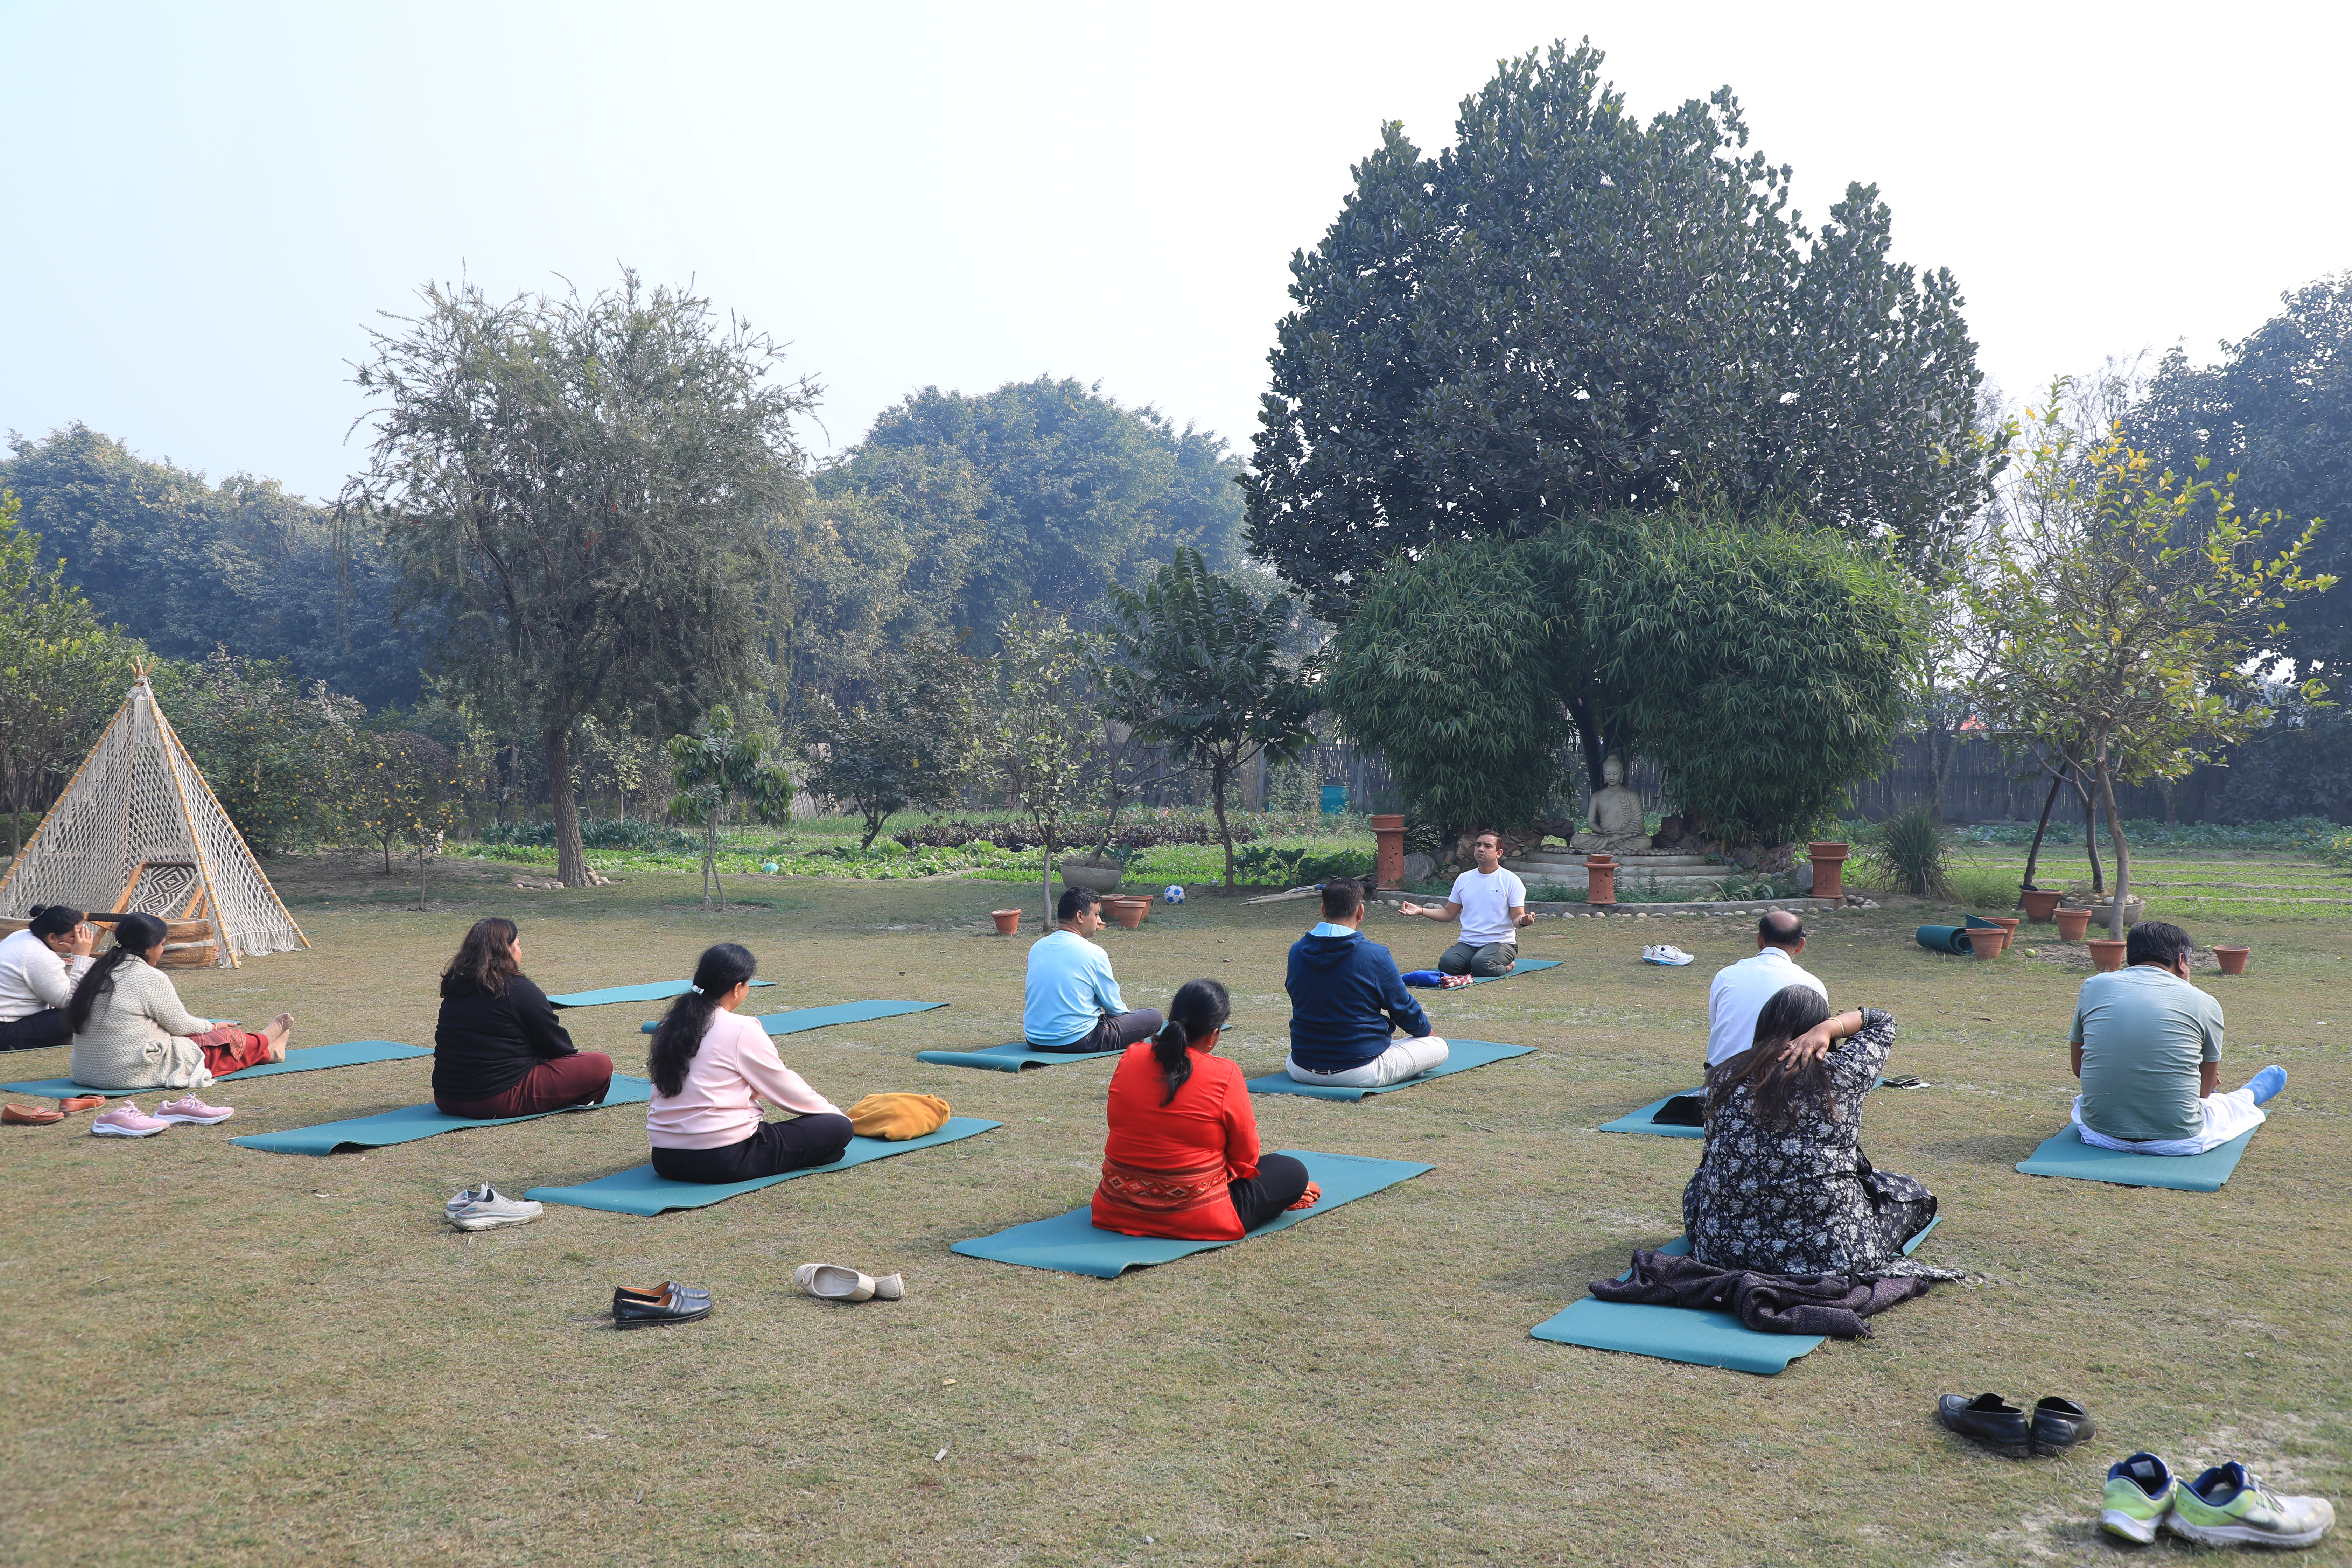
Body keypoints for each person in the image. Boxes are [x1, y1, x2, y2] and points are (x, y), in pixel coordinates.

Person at [1684, 985, 1938, 1276]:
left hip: (1720, 1249)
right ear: (1817, 1030)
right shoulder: (1842, 1071)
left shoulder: (1725, 1075)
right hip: (1830, 1256)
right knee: (1909, 1194)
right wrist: (1829, 1029)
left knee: (1701, 1181)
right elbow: (1882, 1021)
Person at [1094, 978, 1318, 1239]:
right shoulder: (1224, 1074)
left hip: (1118, 1205)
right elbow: (1247, 1156)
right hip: (1199, 1212)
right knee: (1292, 1171)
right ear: (1213, 1036)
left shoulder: (1132, 1057)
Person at [2070, 920, 2286, 1156]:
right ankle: (2250, 1094)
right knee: (2222, 1106)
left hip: (2100, 1134)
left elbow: (2080, 1068)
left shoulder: (2094, 986)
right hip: (2179, 1141)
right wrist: (2206, 1080)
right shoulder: (2204, 1001)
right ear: (2182, 961)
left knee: (2087, 1099)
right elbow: (2204, 1092)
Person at [646, 941, 853, 1182]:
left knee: (831, 1149)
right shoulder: (741, 1028)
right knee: (838, 1130)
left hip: (666, 1160)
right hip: (724, 1158)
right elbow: (782, 1086)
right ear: (737, 988)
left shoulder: (671, 1023)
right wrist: (837, 1116)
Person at [66, 911, 293, 1091]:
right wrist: (213, 1026)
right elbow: (181, 1026)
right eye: (162, 944)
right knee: (219, 1043)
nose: (163, 950)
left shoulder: (97, 971)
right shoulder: (150, 977)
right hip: (132, 1071)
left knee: (201, 1042)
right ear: (149, 947)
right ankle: (264, 1039)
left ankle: (270, 1053)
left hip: (86, 1072)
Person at [432, 917, 614, 1117]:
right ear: (506, 950)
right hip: (495, 1100)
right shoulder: (518, 989)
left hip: (446, 1099)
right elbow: (557, 1048)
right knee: (599, 1063)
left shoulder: (456, 986)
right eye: (518, 945)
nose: (521, 951)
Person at [1286, 877, 1449, 1087]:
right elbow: (1404, 1009)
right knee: (1440, 1047)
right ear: (1361, 912)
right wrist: (1431, 1039)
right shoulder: (1375, 955)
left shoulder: (1297, 951)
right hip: (1360, 1069)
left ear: (1323, 910)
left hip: (1301, 1068)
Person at [1023, 887, 1162, 1052]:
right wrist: (1133, 1026)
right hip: (1080, 1040)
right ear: (1080, 917)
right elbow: (1115, 1010)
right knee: (1154, 1017)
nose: (1100, 921)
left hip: (1035, 1040)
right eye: (1096, 914)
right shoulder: (1094, 953)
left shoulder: (1037, 947)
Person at [1397, 828, 1535, 977]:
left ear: (1499, 853)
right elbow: (1449, 913)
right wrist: (1420, 910)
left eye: (1488, 846)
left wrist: (1523, 921)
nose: (1481, 849)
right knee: (1447, 966)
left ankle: (1509, 965)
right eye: (1478, 845)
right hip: (1468, 943)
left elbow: (1517, 919)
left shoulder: (1511, 881)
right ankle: (1475, 960)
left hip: (1501, 943)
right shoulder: (1464, 878)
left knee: (1483, 966)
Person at [1706, 910, 1827, 1068]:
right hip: (1778, 1080)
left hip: (1720, 1078)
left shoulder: (1726, 975)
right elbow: (1814, 1041)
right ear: (1800, 945)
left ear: (1760, 940)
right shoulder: (1812, 984)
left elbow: (1718, 1029)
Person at [1, 905, 98, 1052]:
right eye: (74, 936)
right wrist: (82, 957)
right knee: (89, 1010)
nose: (81, 940)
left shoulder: (23, 935)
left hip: (10, 1022)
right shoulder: (38, 955)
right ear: (52, 937)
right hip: (6, 1030)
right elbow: (70, 1001)